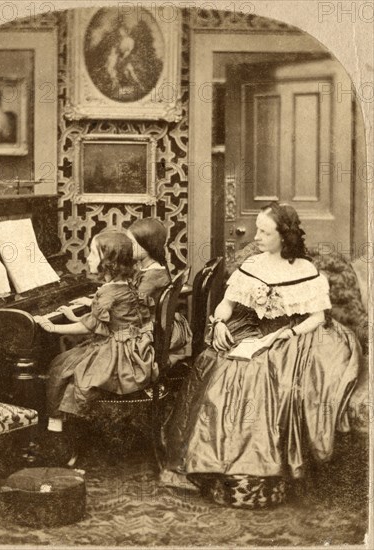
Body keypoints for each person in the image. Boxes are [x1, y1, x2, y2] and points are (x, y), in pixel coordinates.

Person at [161, 203, 360, 508]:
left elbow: (318, 318)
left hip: (294, 334)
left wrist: (282, 336)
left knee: (259, 373)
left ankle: (256, 472)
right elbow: (227, 303)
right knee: (223, 363)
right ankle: (216, 466)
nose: (257, 237)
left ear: (285, 236)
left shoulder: (305, 270)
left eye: (265, 232)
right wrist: (220, 322)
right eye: (257, 230)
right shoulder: (253, 263)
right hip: (252, 329)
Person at [35, 231, 157, 433]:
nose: (87, 257)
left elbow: (89, 326)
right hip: (134, 347)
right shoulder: (128, 283)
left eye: (92, 253)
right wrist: (76, 316)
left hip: (119, 355)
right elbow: (112, 318)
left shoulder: (107, 292)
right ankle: (58, 422)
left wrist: (53, 327)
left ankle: (57, 425)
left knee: (61, 366)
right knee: (67, 362)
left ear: (109, 262)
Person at [126, 218, 192, 365]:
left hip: (151, 334)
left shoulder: (153, 275)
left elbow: (130, 307)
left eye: (131, 243)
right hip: (153, 328)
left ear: (146, 246)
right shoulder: (153, 268)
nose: (127, 247)